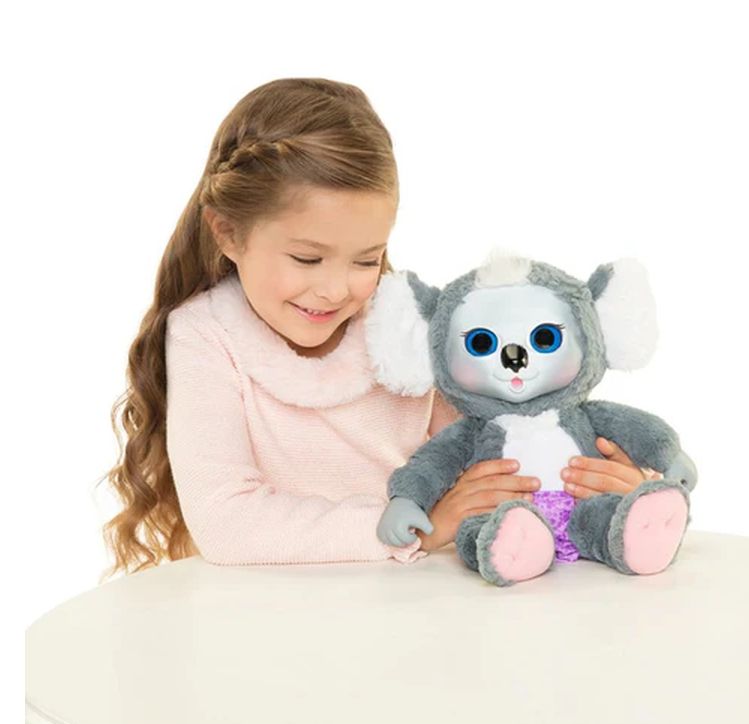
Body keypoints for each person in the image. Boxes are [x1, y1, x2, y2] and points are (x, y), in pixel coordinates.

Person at [98, 77, 650, 579]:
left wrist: (612, 486)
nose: (335, 289)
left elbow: (498, 446)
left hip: (420, 606)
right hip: (276, 617)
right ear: (227, 232)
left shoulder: (398, 329)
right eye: (307, 258)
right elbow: (227, 521)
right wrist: (414, 528)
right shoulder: (207, 335)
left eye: (366, 259)